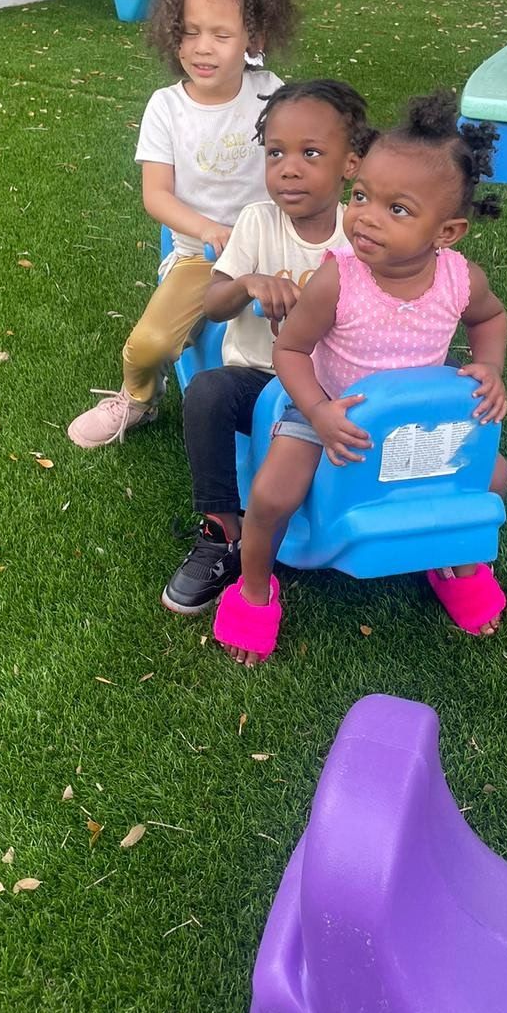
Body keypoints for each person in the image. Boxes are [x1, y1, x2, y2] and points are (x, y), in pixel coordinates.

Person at [212, 90, 507, 664]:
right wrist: (319, 413)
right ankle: (254, 589)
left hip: (419, 419)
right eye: (362, 196)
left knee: (491, 479)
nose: (366, 217)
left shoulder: (460, 279)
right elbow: (292, 351)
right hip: (329, 408)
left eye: (397, 209)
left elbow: (491, 317)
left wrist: (489, 366)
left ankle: (455, 562)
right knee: (273, 495)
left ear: (446, 233)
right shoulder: (337, 281)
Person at [67, 0, 298, 449]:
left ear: (252, 39)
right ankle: (139, 399)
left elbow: (301, 163)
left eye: (221, 34)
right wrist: (210, 230)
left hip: (278, 250)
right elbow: (157, 196)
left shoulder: (272, 94)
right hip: (205, 257)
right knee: (148, 346)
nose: (203, 48)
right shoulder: (167, 107)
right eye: (190, 32)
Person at [161, 80, 374, 615]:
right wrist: (248, 283)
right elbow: (212, 306)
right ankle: (221, 531)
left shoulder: (361, 237)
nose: (289, 168)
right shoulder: (258, 222)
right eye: (275, 153)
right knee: (206, 393)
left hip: (333, 383)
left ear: (350, 164)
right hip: (258, 381)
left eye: (311, 153)